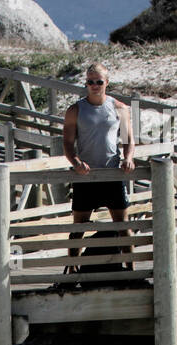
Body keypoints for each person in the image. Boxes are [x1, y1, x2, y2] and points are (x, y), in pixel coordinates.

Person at [62, 63, 135, 273]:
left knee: (123, 225)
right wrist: (75, 163)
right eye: (90, 82)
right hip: (86, 176)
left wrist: (128, 158)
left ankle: (131, 270)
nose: (94, 85)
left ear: (107, 83)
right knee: (79, 227)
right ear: (86, 83)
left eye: (99, 81)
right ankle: (71, 270)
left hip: (111, 173)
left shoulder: (119, 107)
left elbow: (128, 139)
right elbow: (67, 143)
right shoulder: (75, 110)